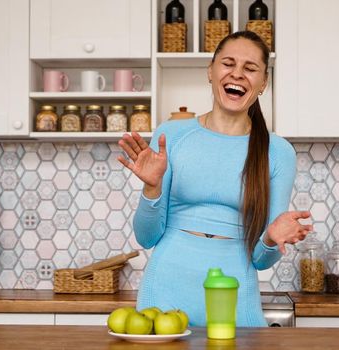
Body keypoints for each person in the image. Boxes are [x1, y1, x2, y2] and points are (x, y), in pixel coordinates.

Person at [117, 31, 313, 327]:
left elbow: (261, 259)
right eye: (228, 64)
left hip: (234, 301)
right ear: (210, 71)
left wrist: (272, 237)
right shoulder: (171, 136)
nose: (237, 74)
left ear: (264, 83)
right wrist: (152, 188)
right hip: (165, 295)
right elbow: (146, 237)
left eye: (250, 68)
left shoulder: (278, 152)